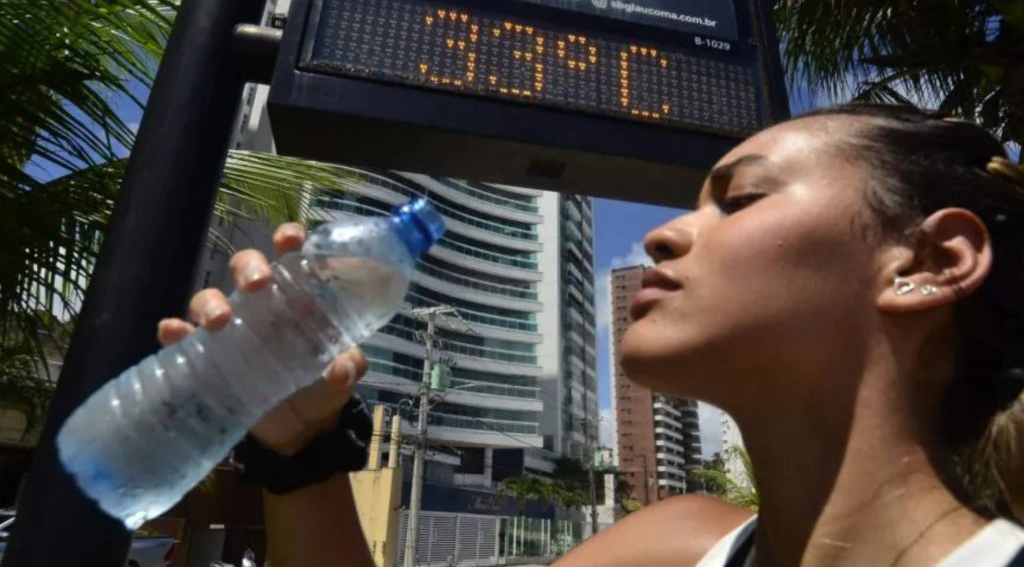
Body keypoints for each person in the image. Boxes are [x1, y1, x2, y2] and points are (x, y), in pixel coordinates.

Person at [158, 104, 1024, 566]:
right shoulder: (670, 545)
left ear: (932, 261)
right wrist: (301, 451)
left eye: (741, 199)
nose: (661, 235)